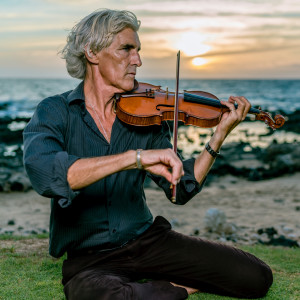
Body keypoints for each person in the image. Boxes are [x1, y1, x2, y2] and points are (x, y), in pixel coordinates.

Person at [23, 9, 273, 300]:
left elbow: (180, 189)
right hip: (89, 258)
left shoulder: (146, 114)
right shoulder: (55, 111)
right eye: (126, 49)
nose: (138, 61)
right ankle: (175, 288)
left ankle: (147, 288)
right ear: (92, 52)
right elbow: (47, 174)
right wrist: (135, 157)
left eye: (138, 51)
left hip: (149, 241)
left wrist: (219, 135)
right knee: (95, 295)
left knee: (255, 277)